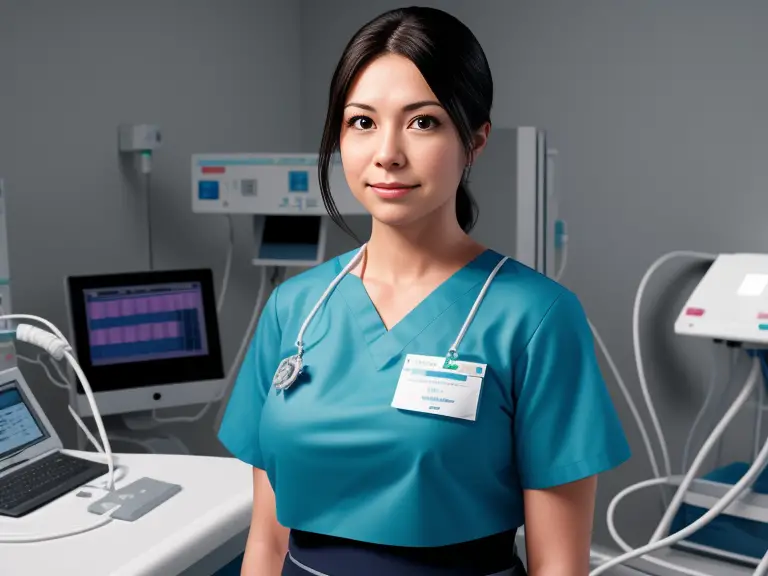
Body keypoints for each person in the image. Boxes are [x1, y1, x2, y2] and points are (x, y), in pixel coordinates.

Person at [217, 6, 631, 576]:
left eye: (422, 121)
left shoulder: (536, 318)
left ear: (476, 139)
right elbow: (266, 543)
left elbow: (559, 566)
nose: (387, 152)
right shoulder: (296, 308)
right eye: (362, 122)